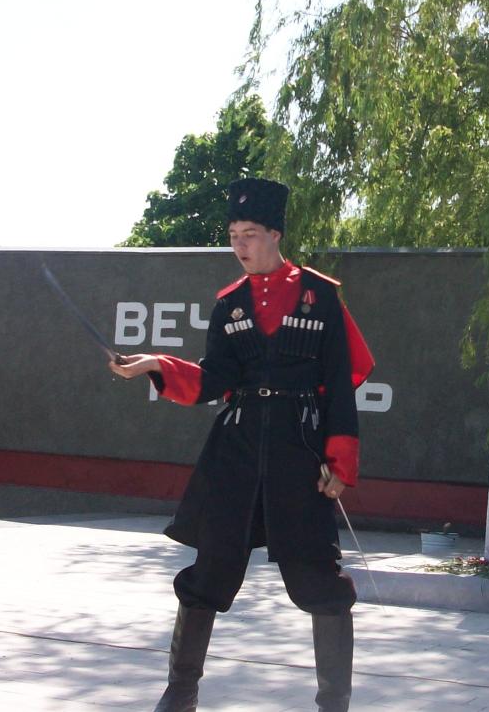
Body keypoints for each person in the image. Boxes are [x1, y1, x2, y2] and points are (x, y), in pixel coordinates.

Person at [110, 178, 374, 712]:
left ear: (275, 234)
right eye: (233, 235)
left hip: (299, 450)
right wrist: (156, 364)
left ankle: (334, 705)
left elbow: (342, 382)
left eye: (249, 234)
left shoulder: (321, 295)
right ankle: (180, 695)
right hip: (236, 450)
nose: (240, 245)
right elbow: (213, 380)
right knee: (209, 571)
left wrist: (340, 462)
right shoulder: (229, 303)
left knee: (319, 579)